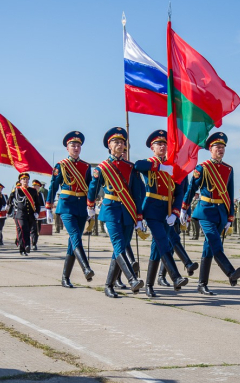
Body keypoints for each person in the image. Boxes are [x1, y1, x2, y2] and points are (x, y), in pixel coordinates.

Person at [181, 132, 240, 295]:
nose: (220, 150)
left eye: (223, 147)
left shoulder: (228, 169)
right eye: (217, 147)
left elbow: (229, 193)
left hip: (221, 213)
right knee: (215, 242)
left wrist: (230, 216)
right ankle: (230, 272)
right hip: (205, 211)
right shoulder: (202, 168)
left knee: (209, 248)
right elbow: (191, 189)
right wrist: (184, 207)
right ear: (210, 149)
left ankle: (202, 284)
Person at [87, 127, 144, 298]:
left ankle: (108, 285)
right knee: (119, 245)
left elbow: (137, 193)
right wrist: (90, 206)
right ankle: (132, 279)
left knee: (120, 248)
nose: (120, 144)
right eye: (116, 142)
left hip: (128, 210)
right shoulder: (102, 168)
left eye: (122, 142)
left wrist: (139, 216)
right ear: (109, 146)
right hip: (110, 209)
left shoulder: (131, 167)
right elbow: (93, 188)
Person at [134, 130, 190, 297]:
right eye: (159, 144)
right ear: (152, 148)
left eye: (165, 144)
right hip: (152, 209)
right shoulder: (149, 164)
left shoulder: (173, 166)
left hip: (168, 210)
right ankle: (176, 277)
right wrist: (159, 167)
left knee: (157, 249)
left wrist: (175, 212)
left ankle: (149, 285)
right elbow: (137, 165)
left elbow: (179, 192)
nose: (162, 146)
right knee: (163, 241)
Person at [46, 131, 96, 288]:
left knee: (73, 243)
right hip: (66, 206)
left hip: (81, 207)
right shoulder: (61, 165)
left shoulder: (86, 166)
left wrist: (91, 205)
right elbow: (53, 186)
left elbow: (90, 188)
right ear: (67, 148)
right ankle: (86, 268)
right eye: (73, 145)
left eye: (78, 145)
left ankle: (65, 278)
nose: (76, 148)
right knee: (75, 236)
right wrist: (48, 206)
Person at [9, 172, 41, 257]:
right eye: (23, 179)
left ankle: (22, 248)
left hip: (30, 214)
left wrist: (37, 212)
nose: (25, 181)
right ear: (20, 181)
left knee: (26, 231)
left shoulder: (33, 191)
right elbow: (10, 201)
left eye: (27, 179)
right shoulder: (17, 190)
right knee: (23, 229)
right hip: (21, 214)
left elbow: (37, 204)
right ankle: (27, 245)